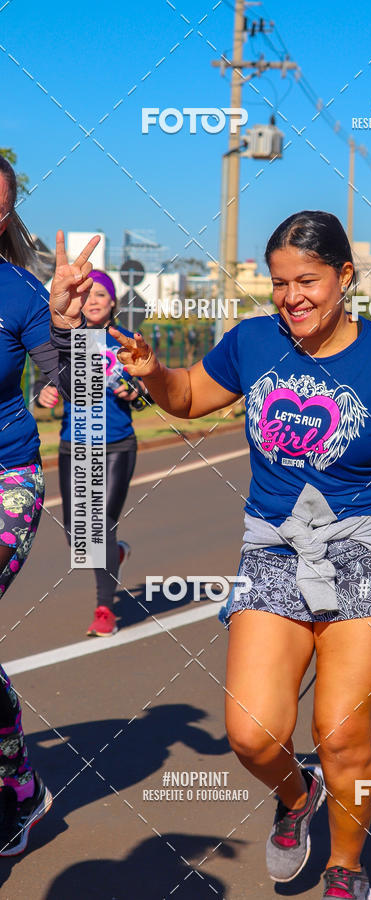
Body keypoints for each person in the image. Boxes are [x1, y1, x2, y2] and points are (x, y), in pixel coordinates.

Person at [111, 211, 371, 899]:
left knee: (340, 734)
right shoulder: (254, 341)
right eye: (281, 283)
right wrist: (156, 372)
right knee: (254, 735)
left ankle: (347, 866)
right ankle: (298, 794)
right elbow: (192, 397)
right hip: (276, 554)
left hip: (366, 556)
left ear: (345, 277)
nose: (293, 297)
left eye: (308, 280)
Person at [0, 153, 98, 853]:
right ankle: (22, 787)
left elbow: (69, 379)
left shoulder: (21, 292)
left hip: (6, 478)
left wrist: (67, 327)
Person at [38, 270, 150, 636]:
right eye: (87, 295)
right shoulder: (65, 341)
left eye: (101, 294)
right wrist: (44, 394)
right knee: (78, 536)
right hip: (75, 445)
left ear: (113, 302)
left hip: (118, 445)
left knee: (99, 525)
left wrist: (135, 393)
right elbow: (44, 382)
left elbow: (150, 393)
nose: (93, 300)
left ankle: (105, 610)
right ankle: (114, 553)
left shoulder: (127, 341)